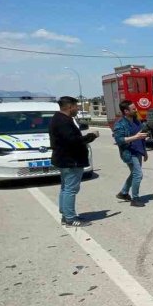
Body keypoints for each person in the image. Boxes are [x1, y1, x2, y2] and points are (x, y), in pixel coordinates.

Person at [49, 96, 99, 227]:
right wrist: (91, 136)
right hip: (71, 161)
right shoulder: (63, 121)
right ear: (70, 107)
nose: (78, 109)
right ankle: (70, 218)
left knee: (66, 188)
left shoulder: (59, 119)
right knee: (71, 189)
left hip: (65, 159)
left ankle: (66, 214)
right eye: (76, 106)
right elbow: (73, 141)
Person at [113, 100, 148, 207]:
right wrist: (135, 137)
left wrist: (145, 152)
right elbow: (119, 140)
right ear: (126, 111)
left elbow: (141, 136)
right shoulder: (120, 124)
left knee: (134, 174)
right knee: (138, 175)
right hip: (129, 153)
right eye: (133, 109)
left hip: (138, 152)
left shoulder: (137, 121)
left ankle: (123, 193)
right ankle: (135, 199)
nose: (136, 110)